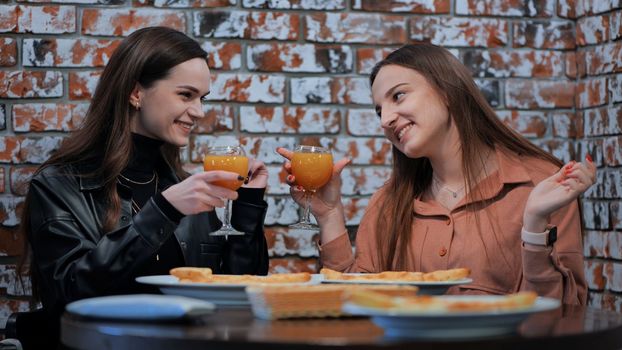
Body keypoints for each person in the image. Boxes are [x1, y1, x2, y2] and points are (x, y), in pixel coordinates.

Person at [278, 43, 596, 305]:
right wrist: (330, 215)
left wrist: (535, 228)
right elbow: (357, 301)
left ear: (446, 90)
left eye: (398, 96)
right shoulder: (389, 203)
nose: (386, 119)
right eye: (378, 110)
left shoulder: (543, 185)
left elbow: (563, 315)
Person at [19, 26, 269, 346]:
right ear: (137, 93)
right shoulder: (59, 185)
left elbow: (239, 292)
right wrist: (163, 211)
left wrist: (247, 205)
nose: (199, 112)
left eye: (202, 98)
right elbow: (69, 293)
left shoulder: (185, 187)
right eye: (186, 94)